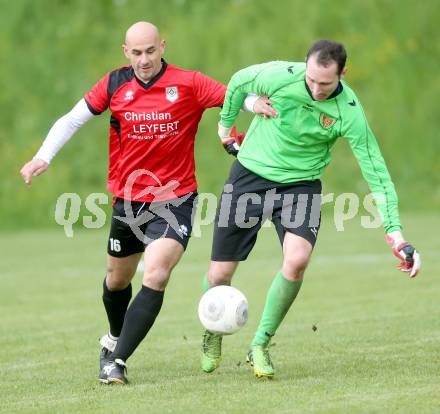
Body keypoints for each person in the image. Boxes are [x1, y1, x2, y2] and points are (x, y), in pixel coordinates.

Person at [20, 21, 275, 385]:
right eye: (136, 53)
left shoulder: (188, 83)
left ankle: (118, 361)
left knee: (156, 273)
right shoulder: (114, 83)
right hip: (127, 201)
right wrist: (44, 155)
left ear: (162, 47)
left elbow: (230, 96)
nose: (144, 60)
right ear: (126, 52)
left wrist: (255, 103)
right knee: (116, 280)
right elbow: (74, 118)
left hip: (175, 200)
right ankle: (112, 338)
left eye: (151, 51)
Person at [200, 39, 421, 379]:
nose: (316, 89)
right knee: (219, 275)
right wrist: (226, 128)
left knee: (298, 259)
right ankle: (212, 333)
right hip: (250, 174)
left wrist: (395, 234)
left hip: (301, 186)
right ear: (306, 66)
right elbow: (238, 81)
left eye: (326, 83)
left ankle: (260, 344)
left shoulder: (348, 109)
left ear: (343, 74)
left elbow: (375, 170)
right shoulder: (279, 76)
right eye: (312, 80)